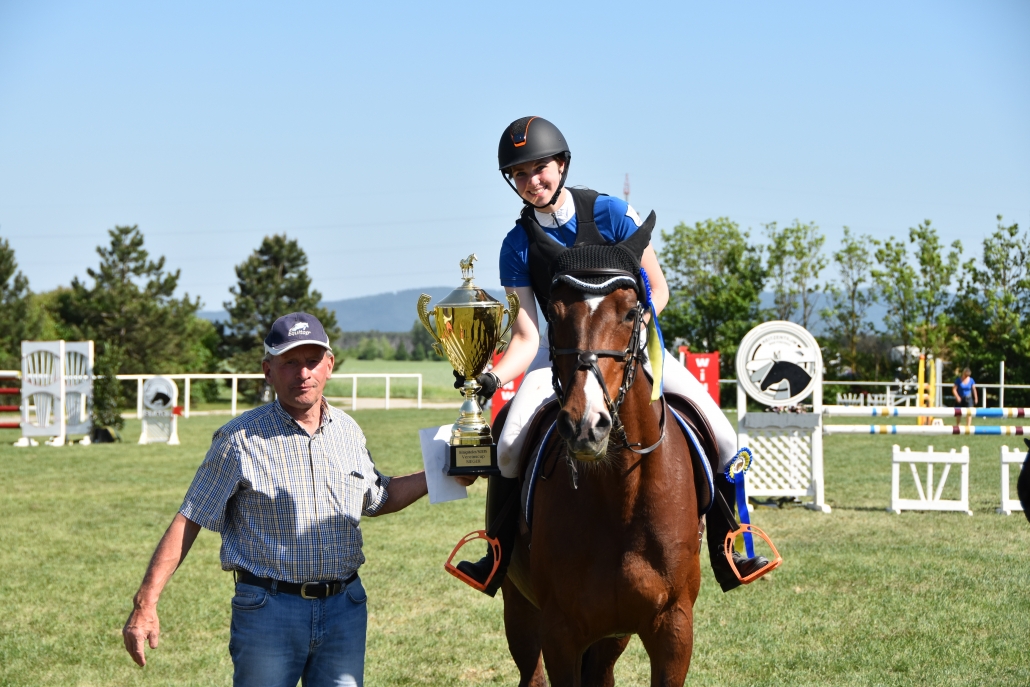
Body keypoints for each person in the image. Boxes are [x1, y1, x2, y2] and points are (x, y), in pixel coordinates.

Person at [452, 116, 768, 596]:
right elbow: (526, 335)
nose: (532, 181)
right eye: (519, 174)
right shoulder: (516, 246)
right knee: (511, 446)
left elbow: (657, 290)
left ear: (561, 164)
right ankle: (496, 552)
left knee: (723, 436)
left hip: (637, 353)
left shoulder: (613, 213)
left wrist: (635, 332)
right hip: (557, 365)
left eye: (539, 168)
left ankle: (732, 548)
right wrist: (492, 380)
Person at [122, 313, 430, 687]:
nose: (304, 373)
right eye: (290, 363)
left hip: (344, 609)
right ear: (268, 371)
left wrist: (440, 474)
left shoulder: (348, 431)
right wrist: (146, 603)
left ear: (329, 365)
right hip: (269, 611)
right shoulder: (239, 439)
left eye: (312, 361)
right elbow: (191, 517)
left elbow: (378, 497)